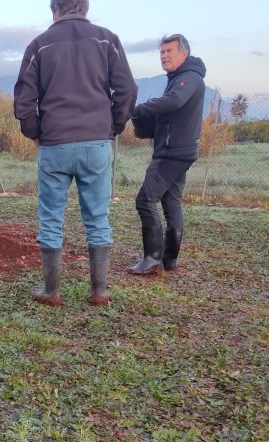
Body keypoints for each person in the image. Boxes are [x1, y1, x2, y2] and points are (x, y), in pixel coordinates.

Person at [14, 0, 137, 306]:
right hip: (96, 141)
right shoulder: (107, 39)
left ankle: (52, 291)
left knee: (51, 218)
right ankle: (99, 291)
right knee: (97, 217)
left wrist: (35, 133)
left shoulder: (39, 45)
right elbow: (128, 90)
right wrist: (113, 126)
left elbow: (24, 100)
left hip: (54, 143)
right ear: (84, 6)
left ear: (54, 8)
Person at [127, 35, 206, 275]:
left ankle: (152, 260)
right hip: (180, 150)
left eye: (169, 50)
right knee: (170, 201)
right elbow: (169, 112)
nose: (164, 55)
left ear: (184, 53)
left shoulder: (188, 78)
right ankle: (169, 260)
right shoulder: (179, 78)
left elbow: (173, 102)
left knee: (145, 200)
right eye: (162, 52)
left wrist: (137, 110)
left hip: (172, 153)